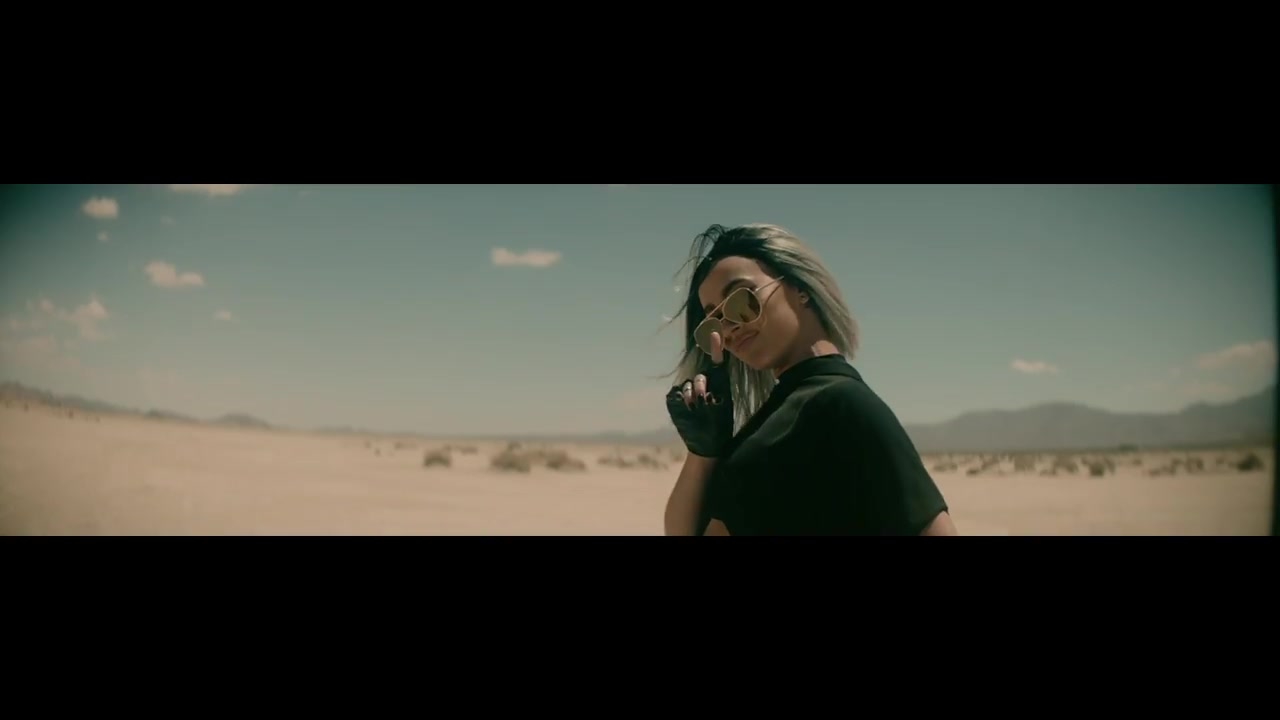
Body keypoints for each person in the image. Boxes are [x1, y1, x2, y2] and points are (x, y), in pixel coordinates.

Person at [662, 223, 957, 536]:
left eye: (741, 300)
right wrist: (703, 451)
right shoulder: (777, 414)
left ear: (800, 287)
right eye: (714, 322)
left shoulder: (842, 403)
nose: (729, 329)